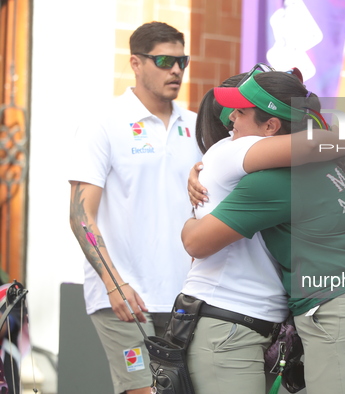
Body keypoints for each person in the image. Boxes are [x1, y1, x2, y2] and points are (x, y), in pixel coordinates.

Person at [184, 71, 345, 394]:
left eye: (241, 112)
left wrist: (188, 217)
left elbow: (195, 242)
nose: (232, 121)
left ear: (271, 127)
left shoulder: (273, 180)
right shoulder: (338, 165)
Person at [68, 21, 199, 394]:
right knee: (144, 390)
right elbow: (81, 214)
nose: (176, 70)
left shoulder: (197, 126)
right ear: (136, 63)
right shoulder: (103, 123)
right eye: (163, 60)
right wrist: (114, 283)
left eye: (182, 60)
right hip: (124, 297)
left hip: (184, 299)